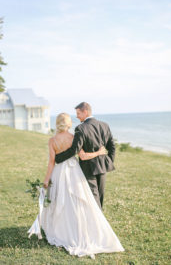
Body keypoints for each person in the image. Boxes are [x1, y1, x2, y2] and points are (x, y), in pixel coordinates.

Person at [28, 113, 124, 259]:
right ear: (68, 124)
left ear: (57, 124)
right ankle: (81, 228)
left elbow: (51, 163)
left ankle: (61, 230)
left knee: (60, 199)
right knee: (78, 200)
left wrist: (46, 180)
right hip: (74, 171)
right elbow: (83, 156)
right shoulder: (73, 137)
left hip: (59, 172)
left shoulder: (52, 140)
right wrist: (98, 152)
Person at [54, 102, 116, 209]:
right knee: (100, 195)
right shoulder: (104, 125)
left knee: (93, 196)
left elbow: (75, 149)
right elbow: (112, 147)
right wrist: (109, 161)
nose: (77, 116)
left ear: (85, 112)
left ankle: (97, 223)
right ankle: (99, 221)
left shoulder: (81, 128)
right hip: (102, 166)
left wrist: (59, 158)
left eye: (78, 113)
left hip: (88, 168)